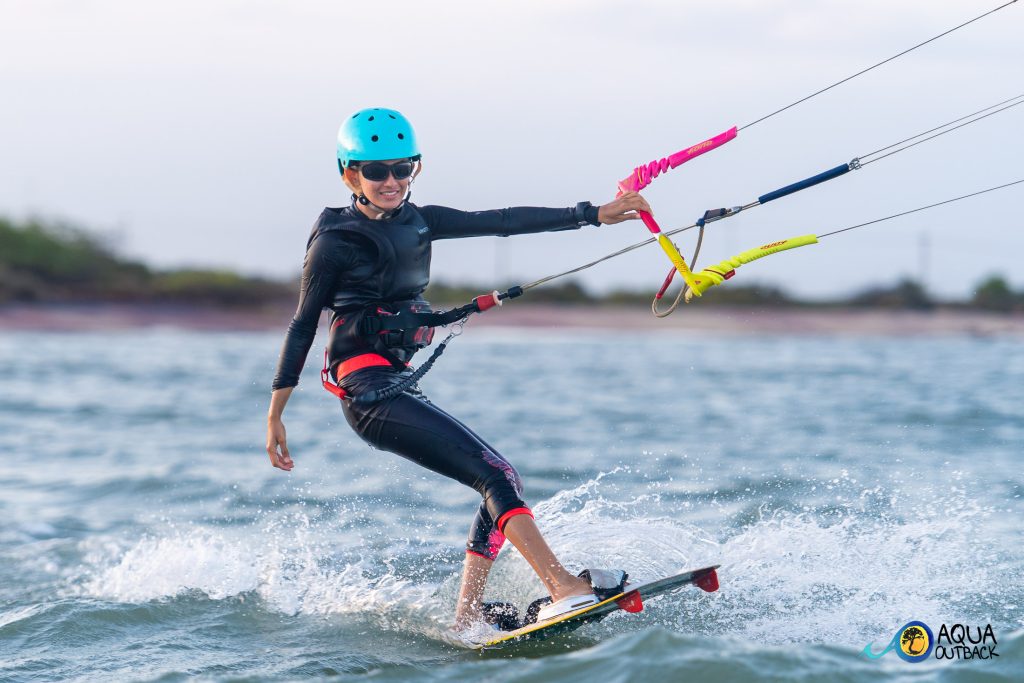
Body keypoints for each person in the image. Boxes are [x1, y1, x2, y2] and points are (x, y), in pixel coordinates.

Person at [265, 107, 652, 632]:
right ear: (348, 173)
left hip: (394, 382)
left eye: (403, 168)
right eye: (376, 171)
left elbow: (503, 221)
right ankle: (563, 588)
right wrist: (276, 415)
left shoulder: (420, 220)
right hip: (366, 393)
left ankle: (466, 620)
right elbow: (302, 325)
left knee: (500, 476)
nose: (392, 181)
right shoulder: (335, 242)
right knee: (493, 475)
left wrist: (592, 213)